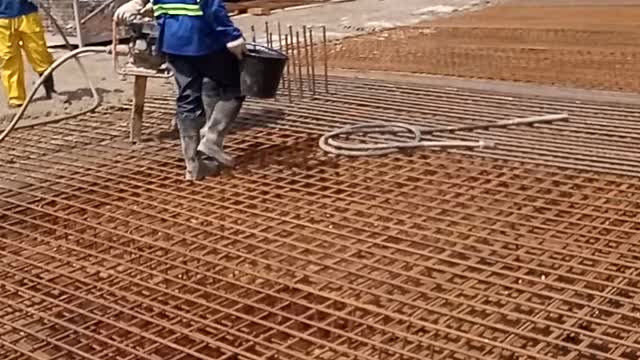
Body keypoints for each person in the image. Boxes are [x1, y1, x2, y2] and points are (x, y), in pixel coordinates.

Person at [115, 0, 247, 181]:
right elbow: (211, 6)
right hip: (202, 39)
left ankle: (193, 164)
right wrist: (232, 37)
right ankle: (211, 141)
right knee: (235, 86)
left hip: (172, 41)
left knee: (187, 97)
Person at [0, 0, 62, 108]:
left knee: (39, 53)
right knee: (8, 58)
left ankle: (50, 91)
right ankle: (16, 98)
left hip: (27, 14)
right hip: (2, 18)